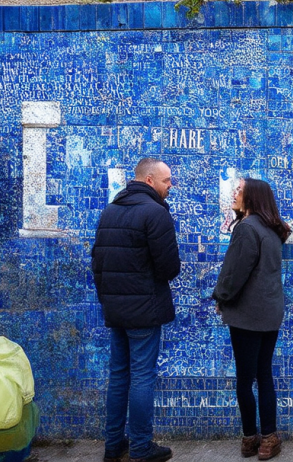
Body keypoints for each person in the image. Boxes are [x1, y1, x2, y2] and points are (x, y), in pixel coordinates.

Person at [91, 158, 181, 462]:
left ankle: (113, 444)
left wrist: (109, 300)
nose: (171, 186)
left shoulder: (110, 211)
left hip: (116, 309)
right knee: (142, 375)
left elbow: (98, 264)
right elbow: (169, 267)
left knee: (119, 376)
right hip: (144, 309)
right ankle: (141, 447)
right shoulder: (155, 214)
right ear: (149, 180)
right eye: (167, 180)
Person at [212, 178, 292, 461]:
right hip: (270, 313)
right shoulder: (272, 229)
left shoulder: (247, 229)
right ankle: (269, 438)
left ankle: (250, 438)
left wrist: (221, 296)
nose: (234, 194)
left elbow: (234, 272)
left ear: (252, 197)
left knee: (245, 379)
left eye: (239, 190)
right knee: (264, 374)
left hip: (247, 315)